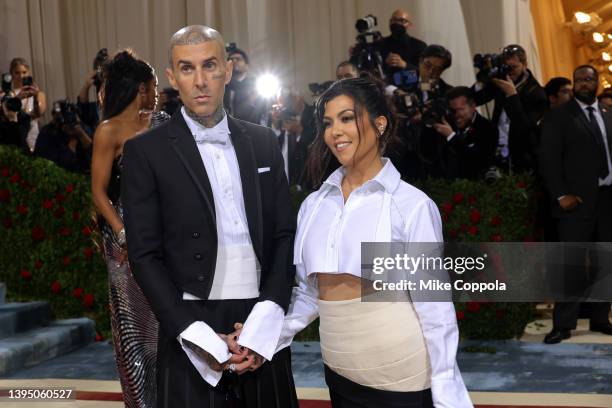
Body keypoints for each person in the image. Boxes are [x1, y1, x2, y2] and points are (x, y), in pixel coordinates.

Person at [121, 25, 298, 407]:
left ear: (228, 70)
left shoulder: (265, 142)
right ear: (172, 77)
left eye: (210, 66)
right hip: (188, 321)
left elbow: (285, 234)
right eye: (187, 68)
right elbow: (144, 255)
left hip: (261, 315)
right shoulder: (145, 152)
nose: (200, 81)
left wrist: (266, 317)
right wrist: (195, 333)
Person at [275, 78, 472, 407]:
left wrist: (445, 386)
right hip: (339, 373)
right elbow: (310, 295)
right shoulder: (314, 206)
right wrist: (263, 339)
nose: (335, 131)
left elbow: (433, 305)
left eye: (347, 118)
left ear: (380, 124)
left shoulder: (411, 205)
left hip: (402, 376)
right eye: (327, 122)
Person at [91, 49, 161, 407]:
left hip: (164, 238)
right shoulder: (109, 130)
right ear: (139, 89)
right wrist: (123, 234)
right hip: (124, 246)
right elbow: (99, 193)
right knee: (135, 334)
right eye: (153, 86)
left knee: (166, 330)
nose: (157, 93)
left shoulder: (164, 123)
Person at [539, 65, 612, 344]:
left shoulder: (609, 114)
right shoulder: (558, 116)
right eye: (579, 79)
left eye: (589, 79)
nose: (584, 83)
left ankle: (600, 318)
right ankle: (563, 324)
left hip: (607, 201)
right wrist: (560, 195)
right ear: (573, 83)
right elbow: (548, 160)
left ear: (597, 82)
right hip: (575, 203)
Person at [473, 45, 548, 172]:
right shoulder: (502, 81)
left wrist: (512, 95)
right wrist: (483, 79)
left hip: (523, 157)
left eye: (513, 67)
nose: (510, 71)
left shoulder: (537, 93)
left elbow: (525, 127)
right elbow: (476, 99)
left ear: (524, 64)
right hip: (498, 152)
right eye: (506, 67)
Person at [432, 86, 498, 180]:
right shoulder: (447, 123)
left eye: (460, 109)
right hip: (447, 186)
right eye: (452, 110)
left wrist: (451, 136)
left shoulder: (487, 128)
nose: (456, 115)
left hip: (475, 187)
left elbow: (478, 161)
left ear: (473, 107)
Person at [34, 100, 93, 173]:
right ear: (54, 116)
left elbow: (95, 155)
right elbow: (61, 166)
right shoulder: (47, 133)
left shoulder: (80, 128)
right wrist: (73, 140)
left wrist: (81, 135)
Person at [9, 57, 47, 152]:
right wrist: (18, 98)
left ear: (29, 72)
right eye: (17, 73)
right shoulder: (6, 95)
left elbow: (39, 113)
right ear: (11, 74)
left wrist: (35, 96)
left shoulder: (39, 94)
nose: (21, 76)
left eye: (24, 72)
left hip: (33, 138)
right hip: (13, 139)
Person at [378, 9, 427, 78]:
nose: (397, 23)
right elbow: (371, 73)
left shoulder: (420, 46)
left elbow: (425, 74)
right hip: (383, 87)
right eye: (394, 20)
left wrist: (404, 65)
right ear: (390, 22)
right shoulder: (380, 44)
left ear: (410, 25)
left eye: (402, 21)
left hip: (411, 87)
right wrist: (384, 63)